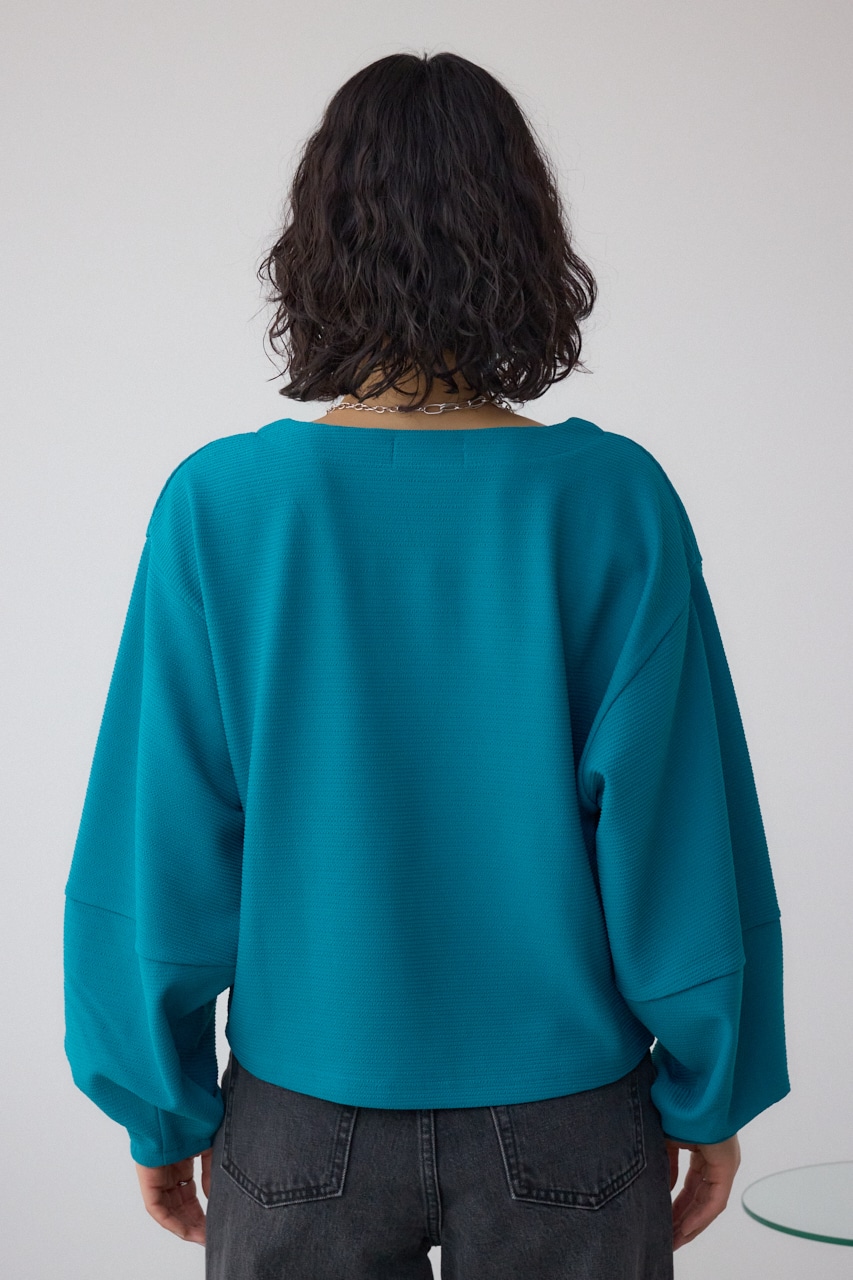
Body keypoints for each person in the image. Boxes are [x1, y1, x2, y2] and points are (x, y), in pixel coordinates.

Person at [63, 50, 789, 1279]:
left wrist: (158, 1104)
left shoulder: (222, 508)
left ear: (317, 250)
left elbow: (160, 846)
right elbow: (677, 839)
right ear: (526, 243)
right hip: (570, 1115)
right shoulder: (613, 501)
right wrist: (712, 1091)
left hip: (300, 1116)